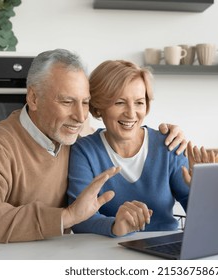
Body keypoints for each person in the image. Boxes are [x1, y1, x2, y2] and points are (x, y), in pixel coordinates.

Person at [0, 49, 187, 243]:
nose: (79, 116)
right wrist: (65, 217)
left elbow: (121, 131)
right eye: (67, 102)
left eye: (85, 103)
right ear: (34, 98)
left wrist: (171, 135)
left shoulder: (73, 138)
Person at [67, 60, 204, 237]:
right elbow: (79, 218)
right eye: (119, 103)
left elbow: (200, 214)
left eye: (139, 103)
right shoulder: (84, 151)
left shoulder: (168, 145)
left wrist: (202, 191)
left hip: (165, 249)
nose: (131, 113)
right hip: (109, 253)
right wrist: (115, 226)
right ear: (99, 106)